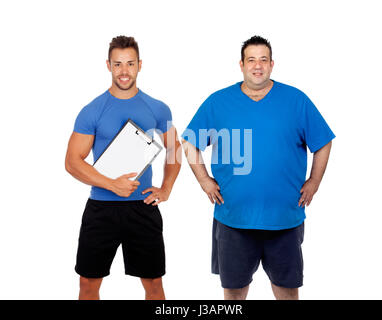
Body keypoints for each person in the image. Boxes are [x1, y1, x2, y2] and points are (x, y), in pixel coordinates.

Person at [181, 36, 335, 300]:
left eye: (263, 60)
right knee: (234, 294)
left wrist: (314, 181)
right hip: (233, 219)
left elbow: (323, 142)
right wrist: (205, 180)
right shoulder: (218, 102)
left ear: (272, 64)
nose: (257, 66)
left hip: (284, 218)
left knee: (287, 293)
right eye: (251, 60)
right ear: (241, 64)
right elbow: (189, 142)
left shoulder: (296, 100)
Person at [65, 36, 181, 300]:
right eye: (118, 64)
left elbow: (174, 149)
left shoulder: (158, 108)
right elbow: (72, 161)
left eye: (130, 64)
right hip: (101, 208)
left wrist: (166, 187)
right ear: (108, 65)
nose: (124, 71)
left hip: (143, 207)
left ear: (140, 65)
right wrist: (111, 184)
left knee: (153, 284)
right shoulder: (92, 110)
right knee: (87, 283)